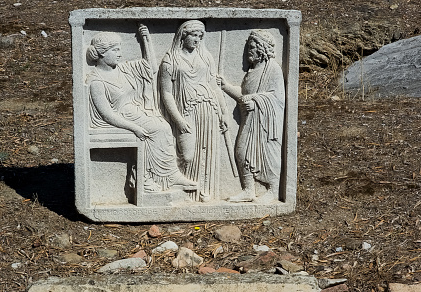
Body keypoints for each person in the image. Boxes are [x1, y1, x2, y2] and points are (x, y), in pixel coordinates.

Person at [86, 26, 197, 192]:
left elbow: (150, 67)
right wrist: (134, 127)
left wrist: (146, 40)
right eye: (115, 50)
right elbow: (107, 114)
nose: (120, 54)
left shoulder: (122, 69)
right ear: (102, 52)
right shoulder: (96, 81)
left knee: (164, 127)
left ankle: (170, 175)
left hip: (134, 111)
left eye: (120, 50)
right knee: (156, 130)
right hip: (120, 118)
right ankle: (146, 178)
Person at [159, 20, 230, 202]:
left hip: (209, 108)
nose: (197, 40)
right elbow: (166, 93)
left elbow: (214, 86)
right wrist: (178, 120)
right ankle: (180, 189)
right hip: (186, 111)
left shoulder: (206, 57)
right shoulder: (170, 60)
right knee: (188, 155)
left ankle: (204, 192)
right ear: (184, 35)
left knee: (207, 151)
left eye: (200, 36)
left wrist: (224, 112)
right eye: (194, 35)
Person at [219, 29, 285, 203]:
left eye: (252, 47)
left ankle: (273, 189)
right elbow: (243, 95)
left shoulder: (273, 69)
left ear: (262, 48)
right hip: (249, 121)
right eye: (248, 47)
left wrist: (256, 101)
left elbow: (277, 98)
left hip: (266, 123)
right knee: (241, 151)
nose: (249, 50)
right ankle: (249, 189)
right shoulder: (251, 72)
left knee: (269, 155)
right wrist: (226, 86)